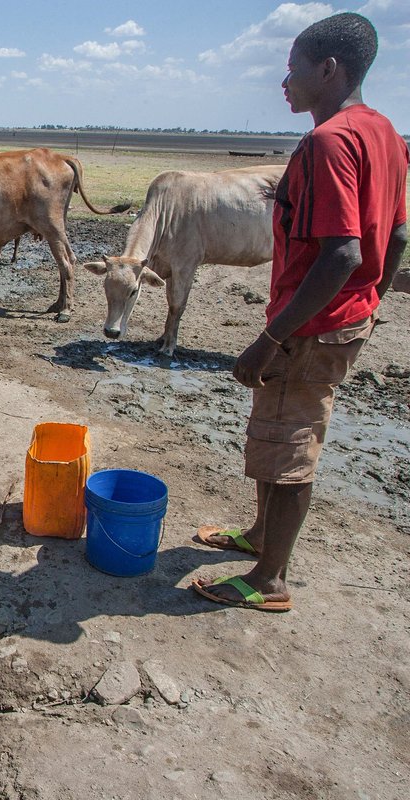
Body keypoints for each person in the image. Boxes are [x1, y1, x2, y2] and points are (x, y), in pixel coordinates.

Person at [193, 12, 408, 612]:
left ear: (328, 69)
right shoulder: (386, 134)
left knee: (289, 446)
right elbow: (395, 238)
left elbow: (342, 253)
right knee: (276, 430)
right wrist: (371, 301)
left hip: (308, 327)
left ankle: (269, 581)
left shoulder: (328, 141)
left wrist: (271, 338)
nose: (284, 82)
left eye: (292, 69)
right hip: (338, 318)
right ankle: (261, 536)